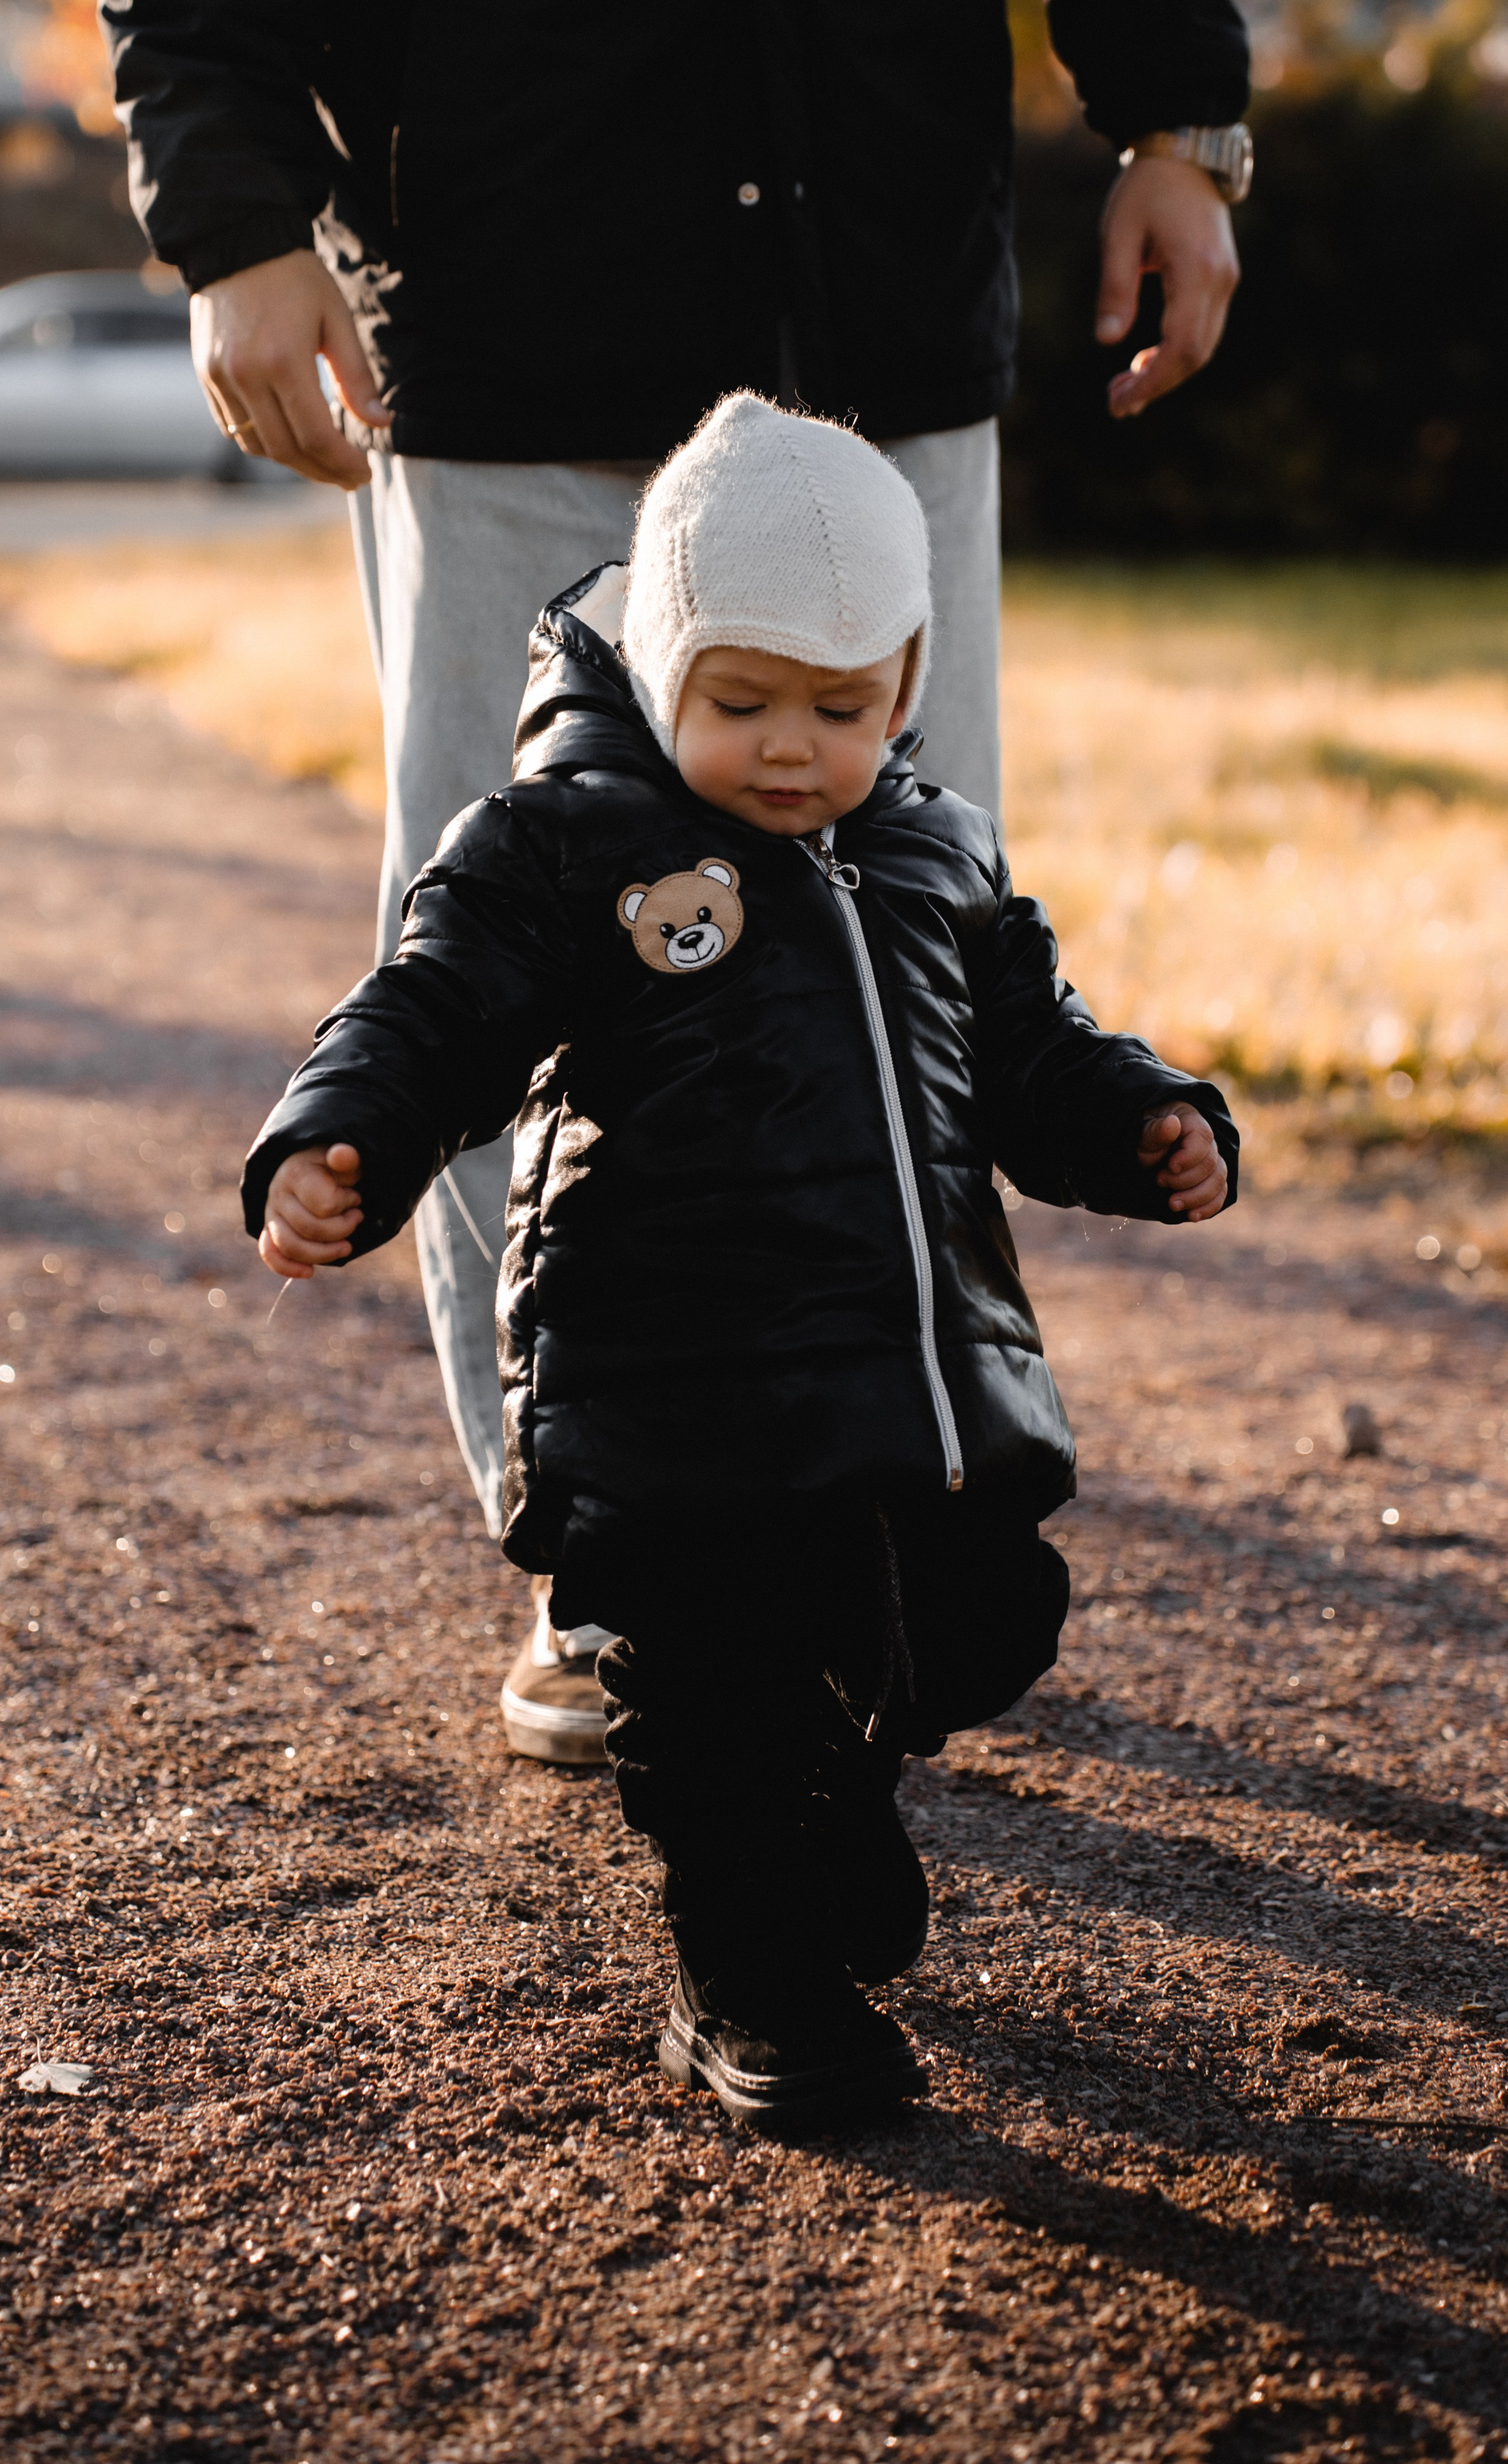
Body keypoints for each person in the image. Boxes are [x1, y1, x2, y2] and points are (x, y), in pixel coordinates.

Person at [103, 1, 1252, 1760]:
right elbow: (457, 1007)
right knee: (520, 951)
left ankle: (863, 1503)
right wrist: (230, 211)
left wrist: (1181, 120)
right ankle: (614, 1563)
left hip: (877, 284)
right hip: (511, 287)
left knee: (910, 964)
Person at [241, 396, 1236, 2128]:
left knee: (984, 1617)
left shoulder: (936, 848)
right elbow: (429, 1011)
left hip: (900, 1381)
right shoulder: (569, 843)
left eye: (840, 709)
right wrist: (344, 1142)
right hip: (668, 1392)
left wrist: (1140, 1117)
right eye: (744, 700)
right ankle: (748, 1977)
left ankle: (832, 1793)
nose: (792, 749)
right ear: (663, 664)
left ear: (905, 684)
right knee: (715, 1687)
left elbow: (1033, 1046)